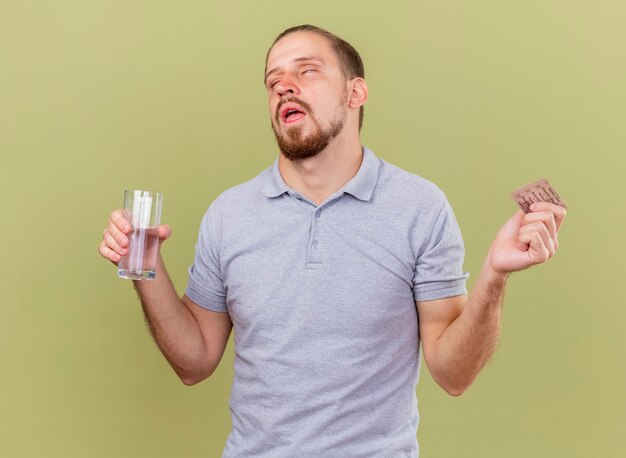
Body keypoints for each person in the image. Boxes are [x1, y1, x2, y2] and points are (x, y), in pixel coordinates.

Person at [99, 24, 566, 457]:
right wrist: (147, 270)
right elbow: (193, 362)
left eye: (307, 71)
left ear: (355, 92)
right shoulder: (230, 214)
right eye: (273, 79)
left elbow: (454, 375)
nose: (284, 85)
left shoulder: (419, 207)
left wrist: (495, 275)